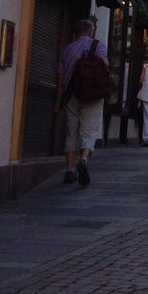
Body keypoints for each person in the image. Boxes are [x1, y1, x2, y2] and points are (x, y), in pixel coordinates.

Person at [55, 19, 107, 187]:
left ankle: (69, 170)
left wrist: (59, 101)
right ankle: (83, 160)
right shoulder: (98, 46)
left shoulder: (68, 49)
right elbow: (105, 66)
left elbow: (61, 76)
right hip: (92, 94)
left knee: (72, 131)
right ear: (91, 31)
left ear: (77, 32)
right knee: (89, 129)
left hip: (71, 94)